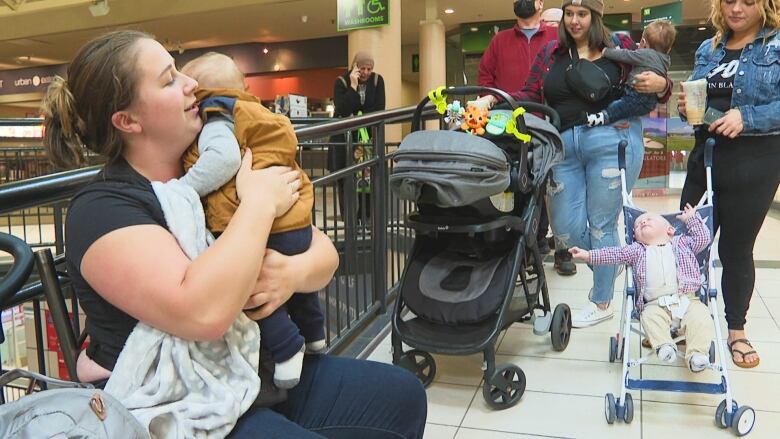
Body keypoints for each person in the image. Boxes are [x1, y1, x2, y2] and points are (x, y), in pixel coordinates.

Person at [41, 30, 427, 437]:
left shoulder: (218, 167)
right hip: (184, 400)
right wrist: (259, 204)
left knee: (403, 395)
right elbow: (203, 312)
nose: (192, 84)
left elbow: (324, 253)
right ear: (127, 120)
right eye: (169, 79)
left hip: (257, 372)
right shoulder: (103, 209)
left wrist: (288, 275)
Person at [474, 0, 672, 328]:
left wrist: (663, 86)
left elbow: (653, 79)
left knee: (601, 224)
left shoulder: (619, 45)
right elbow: (531, 92)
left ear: (595, 17)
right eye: (569, 14)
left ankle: (601, 301)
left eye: (582, 14)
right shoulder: (551, 51)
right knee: (565, 229)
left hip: (612, 139)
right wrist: (494, 98)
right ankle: (616, 261)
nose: (575, 21)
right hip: (563, 144)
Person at [177, 52, 323, 390]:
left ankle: (287, 347)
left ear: (202, 92)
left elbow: (224, 159)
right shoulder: (260, 112)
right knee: (296, 285)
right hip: (295, 219)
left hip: (262, 222)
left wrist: (181, 189)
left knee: (251, 288)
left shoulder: (218, 111)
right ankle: (314, 332)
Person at [678, 0, 780, 369]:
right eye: (728, 1)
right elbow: (701, 98)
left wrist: (746, 116)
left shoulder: (777, 45)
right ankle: (685, 318)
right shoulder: (710, 47)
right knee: (687, 244)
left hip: (755, 161)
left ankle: (736, 329)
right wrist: (686, 106)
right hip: (705, 156)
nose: (736, 8)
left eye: (748, 1)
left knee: (736, 250)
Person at [570, 204, 715, 372]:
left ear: (669, 230)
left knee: (702, 316)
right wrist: (588, 255)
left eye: (648, 219)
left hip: (687, 300)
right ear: (637, 238)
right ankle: (664, 346)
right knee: (648, 317)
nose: (642, 222)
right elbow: (614, 254)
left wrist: (691, 220)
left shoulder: (682, 243)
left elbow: (703, 239)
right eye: (637, 225)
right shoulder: (637, 250)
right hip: (654, 304)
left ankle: (697, 354)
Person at [478, 0, 567, 270]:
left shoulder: (555, 38)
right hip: (511, 127)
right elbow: (485, 80)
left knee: (556, 188)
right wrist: (491, 103)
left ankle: (563, 248)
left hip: (551, 124)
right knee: (521, 186)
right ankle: (526, 246)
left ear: (541, 3)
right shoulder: (499, 41)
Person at [329, 51, 385, 226]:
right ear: (354, 67)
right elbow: (343, 109)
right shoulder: (342, 82)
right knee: (345, 183)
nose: (366, 72)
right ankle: (350, 223)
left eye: (369, 68)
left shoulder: (377, 81)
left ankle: (366, 221)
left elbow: (379, 109)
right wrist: (353, 86)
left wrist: (357, 114)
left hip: (366, 141)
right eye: (362, 68)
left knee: (367, 180)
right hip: (344, 142)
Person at [586, 20, 677, 127]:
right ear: (669, 49)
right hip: (648, 100)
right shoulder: (665, 60)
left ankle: (603, 117)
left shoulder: (639, 51)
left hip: (637, 96)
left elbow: (625, 55)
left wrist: (606, 52)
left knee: (619, 107)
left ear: (643, 42)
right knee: (621, 106)